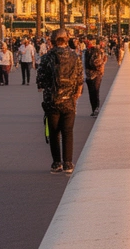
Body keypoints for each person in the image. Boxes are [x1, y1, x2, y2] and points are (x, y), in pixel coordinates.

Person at [35, 28, 84, 173]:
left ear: (53, 41)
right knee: (68, 132)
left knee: (54, 132)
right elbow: (80, 79)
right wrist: (76, 94)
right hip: (69, 100)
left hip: (52, 101)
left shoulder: (46, 57)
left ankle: (56, 163)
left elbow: (40, 81)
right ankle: (68, 163)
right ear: (66, 40)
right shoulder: (75, 57)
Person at [82, 34, 107, 116]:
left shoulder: (94, 50)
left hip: (95, 75)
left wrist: (102, 63)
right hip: (90, 75)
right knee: (92, 93)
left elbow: (95, 63)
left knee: (95, 92)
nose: (85, 41)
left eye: (87, 40)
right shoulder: (88, 50)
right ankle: (94, 109)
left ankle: (96, 109)